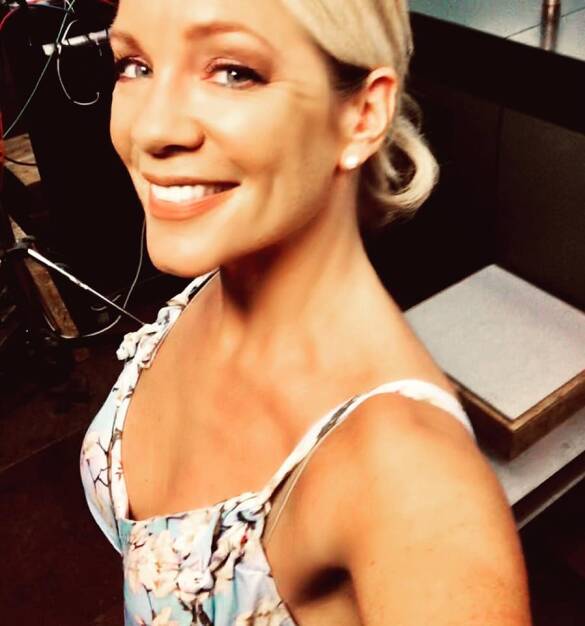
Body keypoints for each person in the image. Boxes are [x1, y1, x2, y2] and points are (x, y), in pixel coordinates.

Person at [80, 1, 532, 624]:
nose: (153, 129)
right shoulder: (219, 273)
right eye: (135, 65)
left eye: (233, 71)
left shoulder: (415, 486)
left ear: (362, 116)